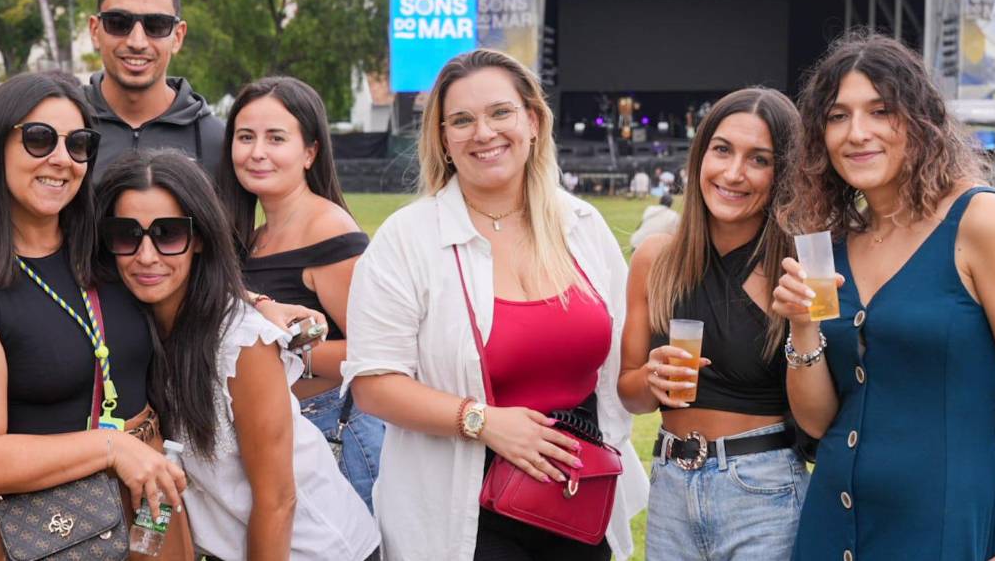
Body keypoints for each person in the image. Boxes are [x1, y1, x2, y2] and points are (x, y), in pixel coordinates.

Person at [345, 50, 649, 561]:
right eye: (461, 120)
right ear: (443, 140)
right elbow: (373, 384)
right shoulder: (409, 239)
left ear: (532, 121)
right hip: (464, 513)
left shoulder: (582, 226)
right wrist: (482, 421)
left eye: (500, 112)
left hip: (579, 499)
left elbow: (624, 365)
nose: (483, 132)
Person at [773, 34, 995, 561]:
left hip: (940, 524)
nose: (857, 133)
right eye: (837, 116)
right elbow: (817, 422)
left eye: (880, 111)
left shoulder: (979, 222)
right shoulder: (833, 246)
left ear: (920, 119)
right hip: (831, 525)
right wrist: (801, 327)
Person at [0, 71, 192, 561]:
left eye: (78, 144)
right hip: (46, 534)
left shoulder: (109, 250)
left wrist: (258, 304)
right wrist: (112, 448)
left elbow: (189, 279)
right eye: (38, 139)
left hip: (146, 512)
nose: (61, 159)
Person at [96, 148, 381, 561]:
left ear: (199, 241)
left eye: (169, 234)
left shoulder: (242, 344)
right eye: (127, 234)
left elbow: (278, 500)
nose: (146, 255)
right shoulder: (130, 327)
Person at [617, 87, 808, 559]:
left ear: (783, 172)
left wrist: (805, 325)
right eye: (722, 150)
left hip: (762, 488)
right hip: (670, 485)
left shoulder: (795, 266)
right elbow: (629, 394)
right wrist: (650, 377)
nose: (733, 173)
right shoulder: (655, 258)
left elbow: (820, 414)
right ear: (700, 154)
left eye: (759, 159)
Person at [219, 76, 385, 511]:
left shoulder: (326, 229)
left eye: (276, 138)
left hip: (331, 436)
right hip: (276, 433)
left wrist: (288, 353)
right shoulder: (253, 237)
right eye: (245, 137)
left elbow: (376, 353)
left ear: (309, 151)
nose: (257, 152)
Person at [83, 0, 226, 181]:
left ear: (178, 37)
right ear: (95, 30)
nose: (137, 42)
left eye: (157, 25)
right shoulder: (64, 129)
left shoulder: (217, 142)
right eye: (119, 23)